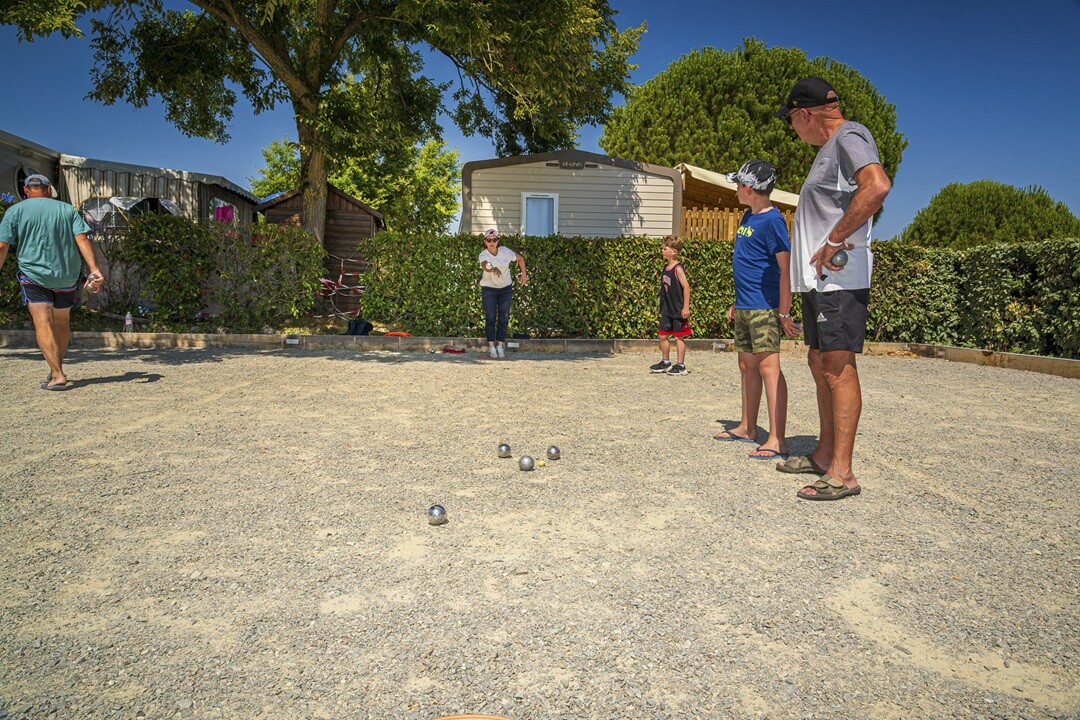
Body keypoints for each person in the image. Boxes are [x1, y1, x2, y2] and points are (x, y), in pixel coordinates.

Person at [774, 77, 891, 500]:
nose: (791, 128)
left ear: (804, 113)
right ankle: (825, 455)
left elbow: (877, 185)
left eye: (790, 119)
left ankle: (843, 473)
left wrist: (836, 238)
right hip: (819, 281)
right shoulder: (830, 149)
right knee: (818, 359)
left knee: (837, 368)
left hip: (839, 279)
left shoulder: (849, 135)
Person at [712, 160, 801, 459]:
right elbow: (749, 264)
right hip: (746, 305)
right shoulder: (748, 216)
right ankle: (748, 427)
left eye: (738, 185)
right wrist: (737, 300)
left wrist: (784, 313)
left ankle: (777, 439)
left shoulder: (774, 221)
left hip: (765, 308)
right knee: (746, 366)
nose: (736, 190)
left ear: (749, 188)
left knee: (769, 368)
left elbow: (785, 270)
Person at [0, 174, 105, 390]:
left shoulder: (15, 211)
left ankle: (57, 375)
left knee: (43, 323)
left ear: (26, 190)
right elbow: (82, 238)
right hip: (66, 276)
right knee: (61, 323)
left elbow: (2, 246)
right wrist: (94, 270)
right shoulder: (67, 210)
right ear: (48, 190)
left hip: (34, 276)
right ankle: (56, 365)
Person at [478, 228, 527, 359]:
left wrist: (524, 274)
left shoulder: (505, 251)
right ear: (485, 242)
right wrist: (492, 268)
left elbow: (520, 259)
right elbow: (485, 265)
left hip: (505, 289)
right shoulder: (483, 255)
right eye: (489, 240)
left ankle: (500, 346)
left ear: (498, 241)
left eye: (494, 240)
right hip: (489, 289)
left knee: (504, 318)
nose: (492, 242)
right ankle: (491, 347)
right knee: (490, 317)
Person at [649, 235, 691, 376]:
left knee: (678, 336)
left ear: (674, 251)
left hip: (677, 309)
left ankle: (681, 365)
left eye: (665, 248)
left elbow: (686, 287)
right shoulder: (666, 268)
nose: (662, 251)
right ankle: (666, 361)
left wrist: (685, 307)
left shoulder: (677, 269)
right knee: (663, 335)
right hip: (667, 309)